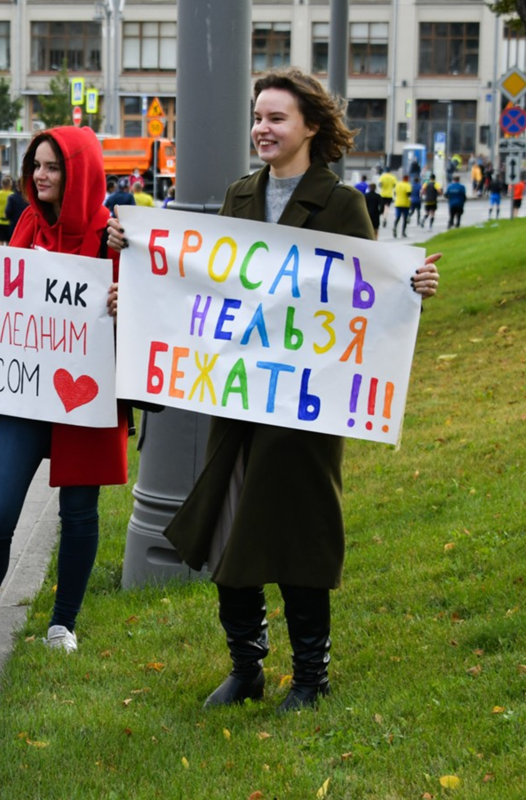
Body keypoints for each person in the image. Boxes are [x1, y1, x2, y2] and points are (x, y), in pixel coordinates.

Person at [158, 67, 440, 712]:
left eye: (276, 117)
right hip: (238, 394)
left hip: (306, 400)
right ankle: (246, 667)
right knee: (229, 529)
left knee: (299, 530)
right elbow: (201, 284)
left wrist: (411, 288)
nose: (262, 127)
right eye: (258, 116)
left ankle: (311, 677)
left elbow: (359, 298)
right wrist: (140, 266)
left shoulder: (342, 204)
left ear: (311, 126)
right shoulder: (239, 195)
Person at [0, 126, 131, 684]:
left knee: (79, 515)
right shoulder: (24, 223)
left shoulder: (113, 235)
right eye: (36, 165)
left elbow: (149, 310)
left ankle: (63, 625)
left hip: (85, 395)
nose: (39, 175)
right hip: (24, 394)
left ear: (80, 172)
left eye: (53, 166)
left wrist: (124, 290)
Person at [392, 173, 413, 238]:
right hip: (405, 204)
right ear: (407, 179)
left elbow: (394, 193)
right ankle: (403, 232)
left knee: (397, 217)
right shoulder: (408, 185)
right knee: (405, 219)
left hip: (398, 203)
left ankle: (394, 227)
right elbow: (408, 194)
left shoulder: (398, 184)